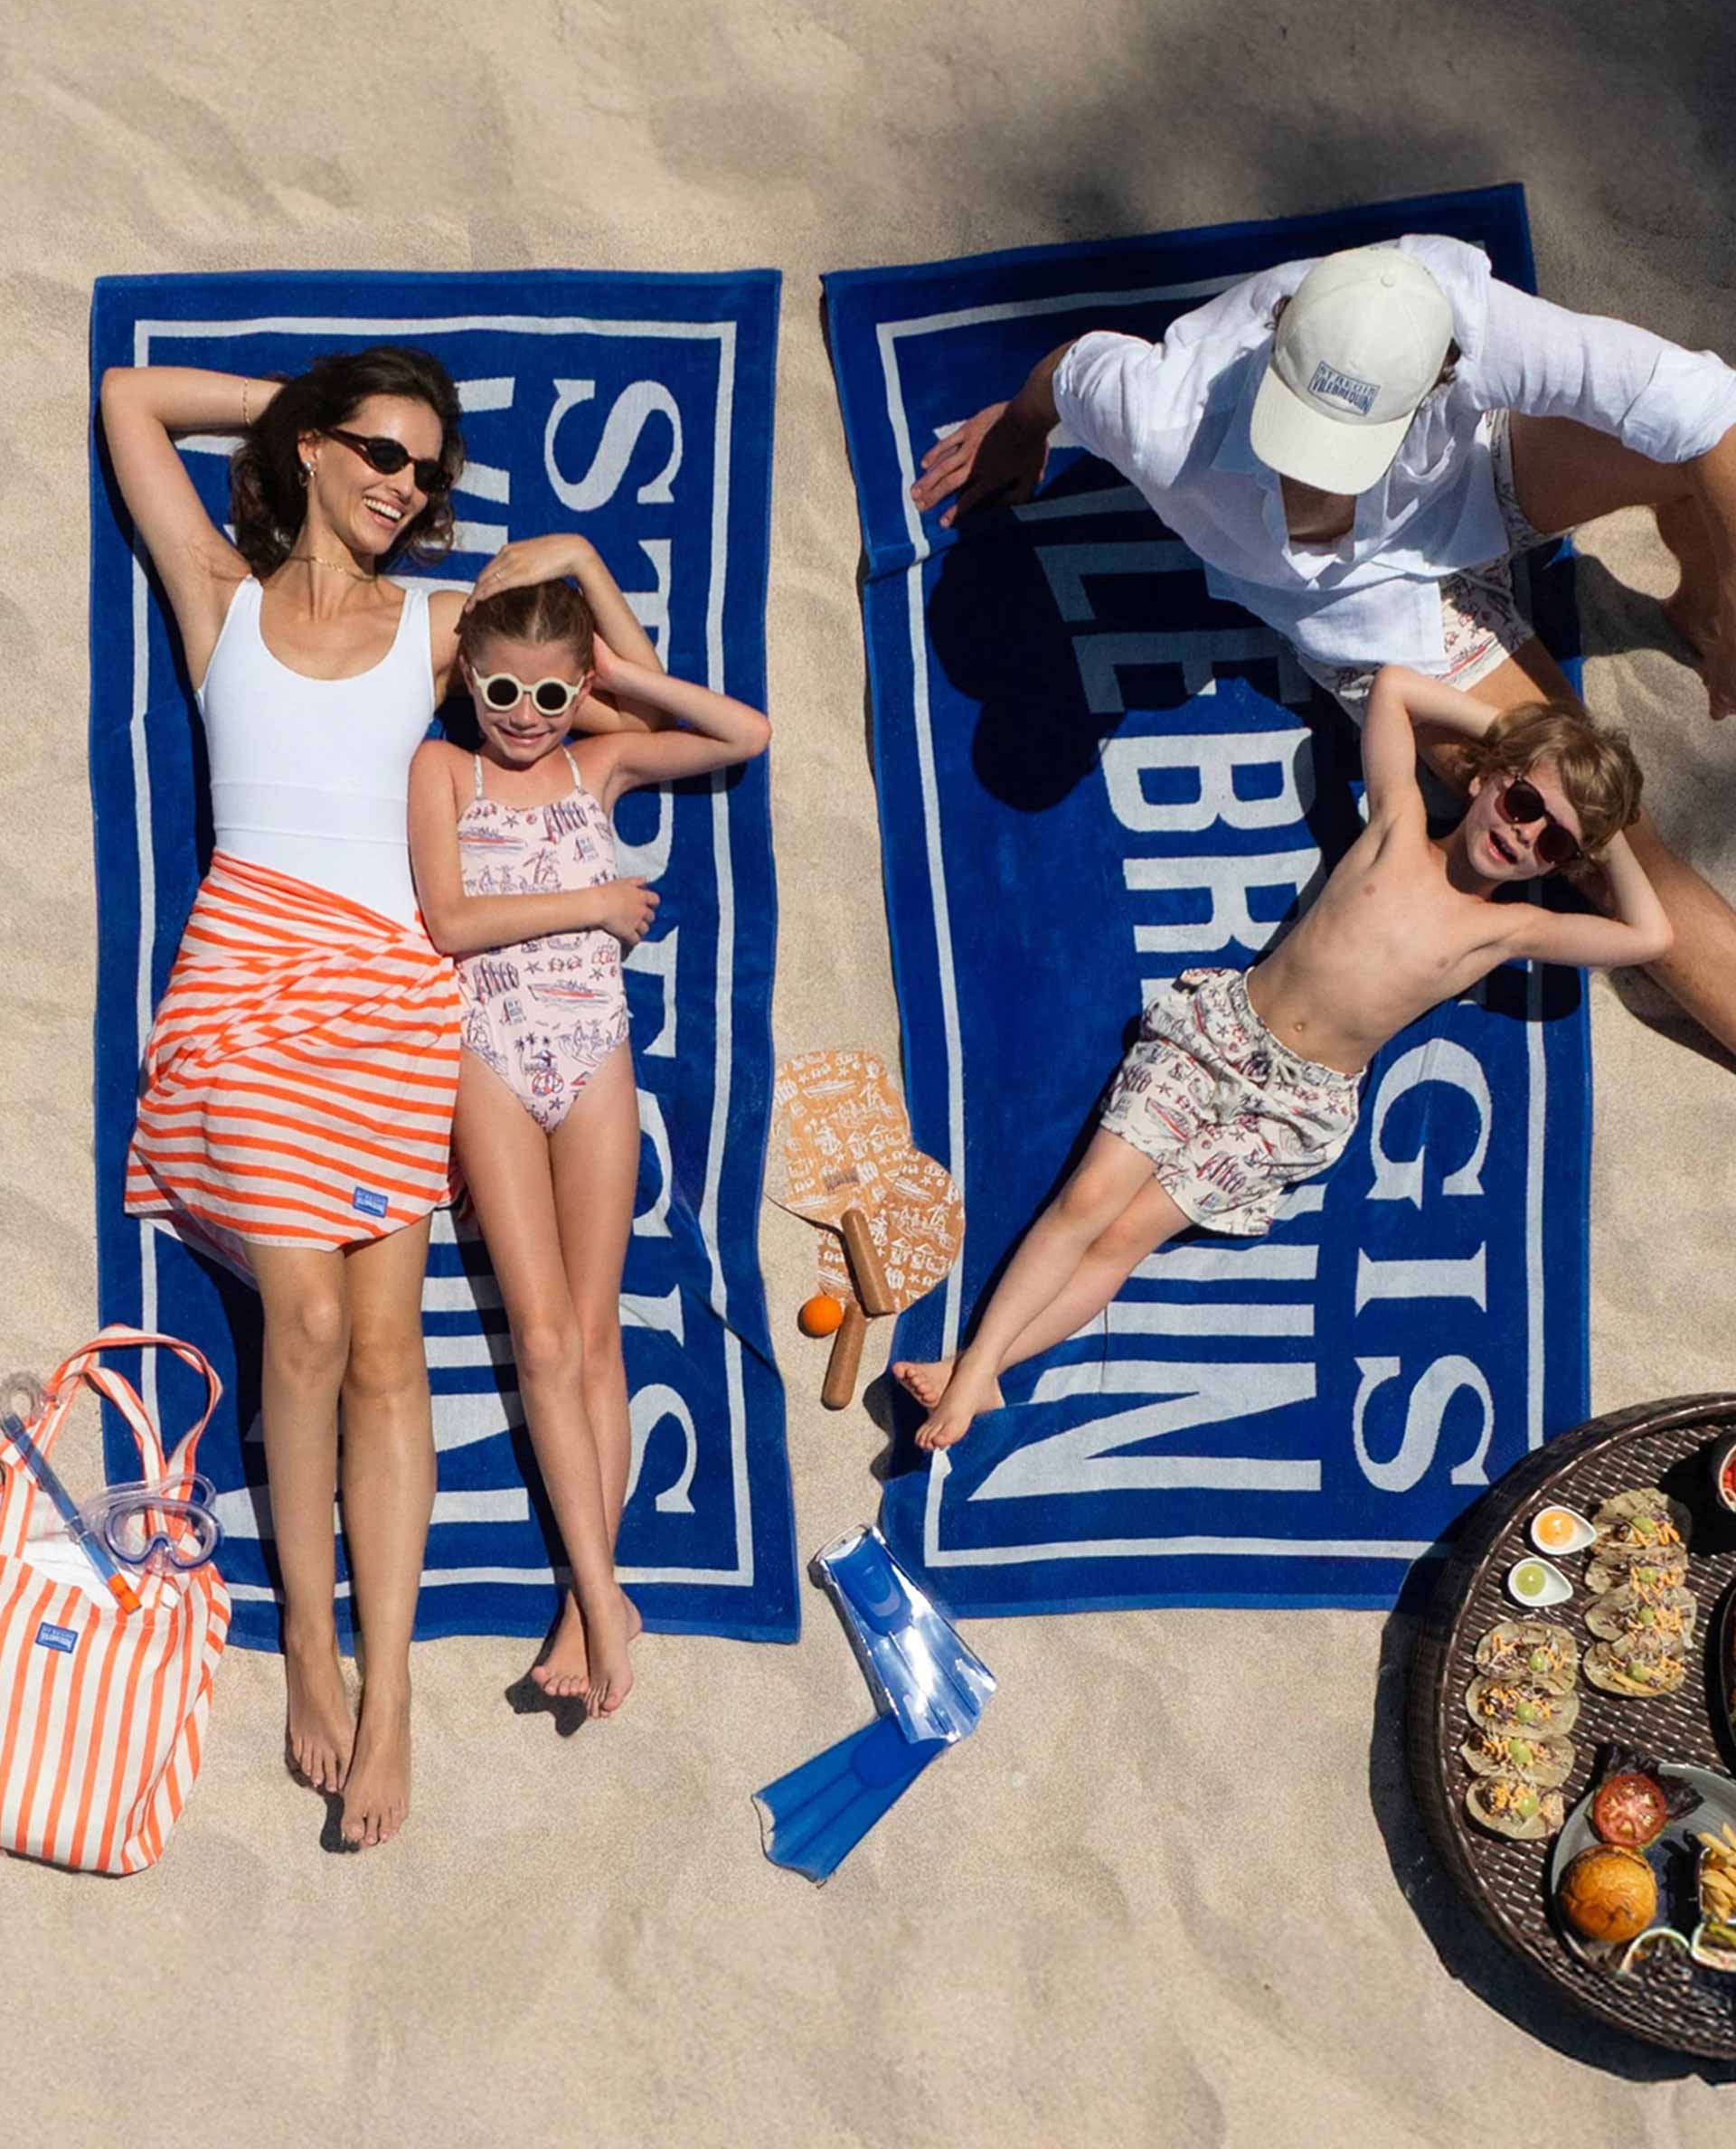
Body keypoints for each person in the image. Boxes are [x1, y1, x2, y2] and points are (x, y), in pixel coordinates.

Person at [909, 236, 1736, 1055]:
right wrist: (1019, 428)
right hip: (1369, 620)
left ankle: (1702, 615)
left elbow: (1709, 408)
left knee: (1687, 455)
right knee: (1605, 834)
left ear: (1446, 369)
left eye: (1343, 445)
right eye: (1296, 426)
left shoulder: (1466, 319)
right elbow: (1067, 372)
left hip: (1471, 486)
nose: (1315, 479)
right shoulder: (1164, 413)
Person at [893, 664, 1672, 1452]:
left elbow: (1651, 936)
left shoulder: (1507, 931)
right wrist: (1513, 738)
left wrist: (1609, 835)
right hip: (1219, 1037)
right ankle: (977, 1367)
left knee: (1124, 1237)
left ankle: (980, 1370)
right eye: (1523, 802)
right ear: (1488, 781)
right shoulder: (1397, 824)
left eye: (1556, 840)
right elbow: (1397, 689)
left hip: (1297, 1108)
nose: (1525, 833)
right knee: (1089, 1194)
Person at [102, 346, 474, 1847]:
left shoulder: (444, 628)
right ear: (313, 448)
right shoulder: (223, 598)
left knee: (391, 1357)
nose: (404, 487)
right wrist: (292, 403)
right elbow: (131, 402)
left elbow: (600, 677)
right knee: (309, 1323)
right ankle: (308, 1657)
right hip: (249, 988)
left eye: (428, 471)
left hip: (389, 996)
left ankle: (391, 1695)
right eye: (381, 454)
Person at [406, 539, 770, 1715]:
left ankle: (588, 1601)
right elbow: (452, 924)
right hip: (492, 1060)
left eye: (551, 691)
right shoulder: (442, 776)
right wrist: (597, 904)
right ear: (466, 679)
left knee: (599, 1334)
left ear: (583, 685)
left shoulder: (597, 763)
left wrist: (601, 614)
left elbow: (740, 735)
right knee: (546, 1339)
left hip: (596, 1053)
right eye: (501, 689)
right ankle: (607, 1599)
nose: (523, 714)